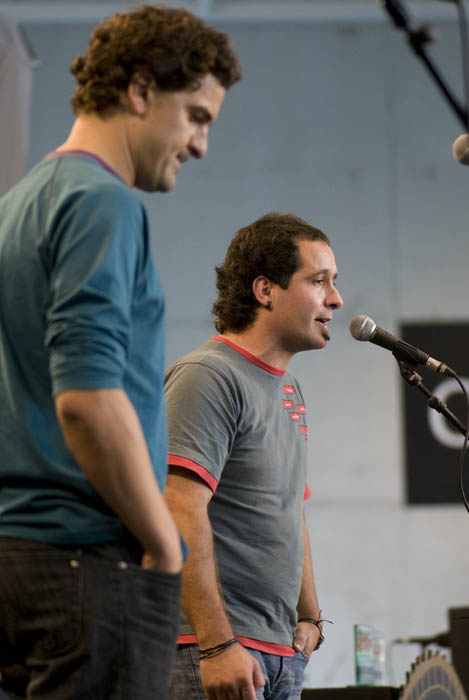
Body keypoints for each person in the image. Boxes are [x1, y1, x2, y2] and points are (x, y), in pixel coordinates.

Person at [0, 5, 240, 699]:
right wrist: (164, 541)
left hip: (21, 559)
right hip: (87, 560)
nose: (201, 145)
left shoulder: (19, 204)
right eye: (196, 116)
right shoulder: (102, 203)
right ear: (139, 90)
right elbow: (88, 400)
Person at [164, 212, 344, 700]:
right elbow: (179, 507)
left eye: (334, 282)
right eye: (319, 281)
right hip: (212, 652)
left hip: (280, 655)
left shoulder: (290, 387)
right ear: (265, 290)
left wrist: (311, 618)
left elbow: (290, 510)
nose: (335, 299)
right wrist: (217, 645)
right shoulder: (208, 376)